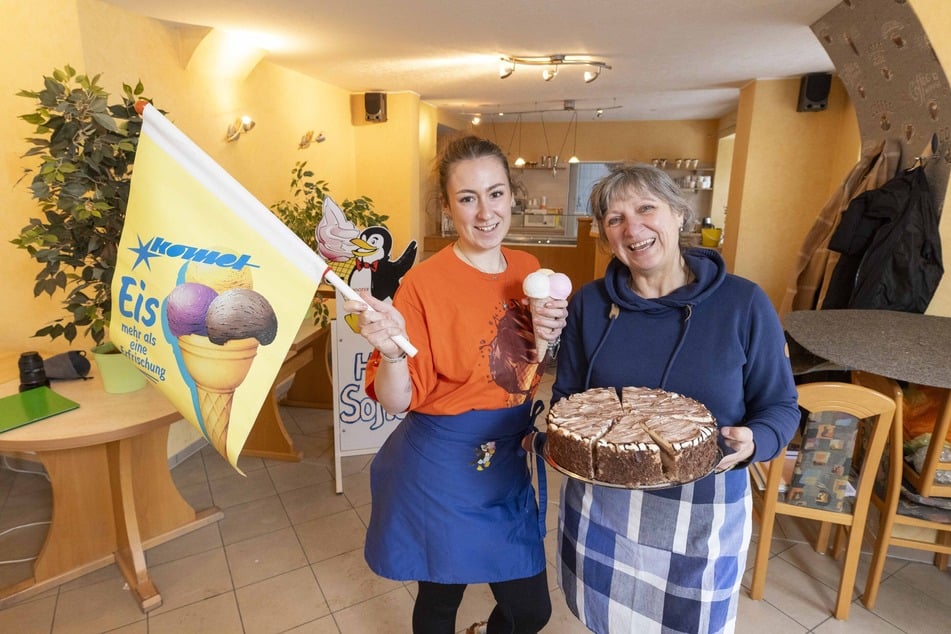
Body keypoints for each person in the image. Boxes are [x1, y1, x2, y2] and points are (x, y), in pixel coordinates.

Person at [547, 164, 800, 634]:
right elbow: (568, 398)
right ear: (604, 234)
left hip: (701, 508)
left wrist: (754, 442)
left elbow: (782, 407)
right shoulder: (589, 303)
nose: (633, 228)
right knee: (605, 623)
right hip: (604, 501)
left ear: (679, 215)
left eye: (646, 209)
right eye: (615, 218)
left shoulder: (742, 303)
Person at [343, 135, 568, 634]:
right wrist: (396, 351)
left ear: (512, 196)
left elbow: (523, 368)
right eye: (467, 198)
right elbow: (397, 398)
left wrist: (550, 340)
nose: (485, 212)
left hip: (506, 459)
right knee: (441, 596)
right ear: (448, 207)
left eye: (496, 193)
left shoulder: (530, 270)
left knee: (530, 610)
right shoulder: (423, 284)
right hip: (442, 466)